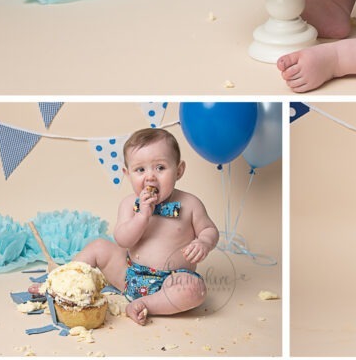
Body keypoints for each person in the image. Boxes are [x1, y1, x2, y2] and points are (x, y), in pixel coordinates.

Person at [33, 129, 219, 325]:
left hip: (171, 281)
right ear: (127, 174)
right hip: (129, 274)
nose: (150, 177)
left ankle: (145, 304)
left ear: (179, 170)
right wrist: (142, 216)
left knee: (194, 289)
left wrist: (204, 243)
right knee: (98, 247)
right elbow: (123, 240)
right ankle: (60, 283)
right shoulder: (130, 204)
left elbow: (209, 230)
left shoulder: (190, 204)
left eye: (160, 167)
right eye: (140, 170)